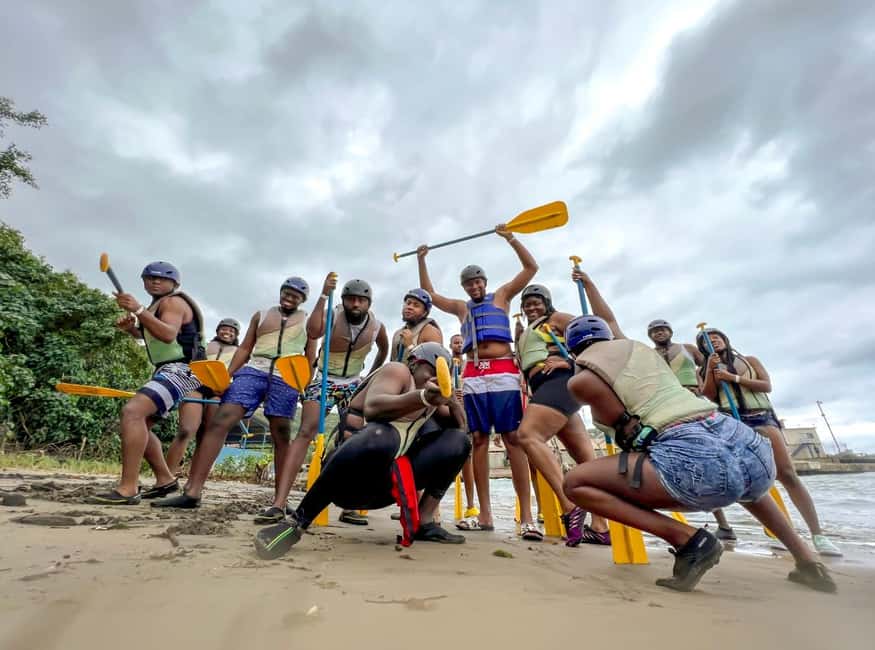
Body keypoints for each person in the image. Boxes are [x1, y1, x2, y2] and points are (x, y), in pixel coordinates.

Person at [562, 270, 836, 593]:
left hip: (697, 463)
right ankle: (807, 561)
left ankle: (688, 540)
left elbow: (625, 431)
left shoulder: (582, 380)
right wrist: (590, 283)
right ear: (609, 336)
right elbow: (609, 319)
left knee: (576, 483)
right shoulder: (637, 348)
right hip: (747, 446)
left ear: (572, 352)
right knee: (743, 480)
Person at [254, 343, 470, 559]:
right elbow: (374, 408)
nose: (434, 379)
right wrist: (422, 397)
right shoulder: (398, 371)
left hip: (384, 489)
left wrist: (451, 401)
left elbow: (462, 430)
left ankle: (424, 522)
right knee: (382, 435)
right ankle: (298, 521)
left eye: (440, 375)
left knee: (459, 442)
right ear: (414, 364)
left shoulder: (431, 398)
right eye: (431, 371)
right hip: (346, 481)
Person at [152, 277, 311, 516]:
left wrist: (304, 384)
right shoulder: (261, 315)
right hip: (255, 369)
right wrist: (227, 376)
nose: (289, 298)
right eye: (286, 293)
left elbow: (310, 354)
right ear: (280, 292)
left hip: (286, 374)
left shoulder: (308, 320)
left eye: (295, 295)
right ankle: (192, 492)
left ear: (302, 300)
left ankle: (280, 501)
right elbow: (245, 348)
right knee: (221, 419)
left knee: (281, 432)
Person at [417, 225, 537, 534]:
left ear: (485, 281)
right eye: (469, 284)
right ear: (465, 287)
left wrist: (511, 238)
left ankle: (527, 517)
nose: (474, 287)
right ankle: (484, 515)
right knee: (479, 440)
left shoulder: (503, 296)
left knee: (512, 438)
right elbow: (430, 294)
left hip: (503, 371)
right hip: (474, 374)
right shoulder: (461, 308)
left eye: (478, 281)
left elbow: (530, 268)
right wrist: (422, 259)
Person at [698, 328, 842, 556]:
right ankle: (784, 535)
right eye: (708, 340)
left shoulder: (749, 360)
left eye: (717, 337)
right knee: (748, 481)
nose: (713, 341)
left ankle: (818, 535)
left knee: (787, 474)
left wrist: (733, 378)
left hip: (761, 418)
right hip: (733, 424)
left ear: (725, 340)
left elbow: (766, 385)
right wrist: (710, 371)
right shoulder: (705, 369)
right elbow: (708, 395)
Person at [270, 275, 389, 527]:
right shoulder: (333, 313)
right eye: (350, 299)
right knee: (306, 431)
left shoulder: (377, 326)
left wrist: (370, 379)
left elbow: (384, 350)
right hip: (324, 379)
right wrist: (324, 294)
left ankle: (350, 505)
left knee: (355, 439)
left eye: (361, 300)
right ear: (343, 300)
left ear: (368, 303)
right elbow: (313, 332)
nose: (355, 304)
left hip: (354, 384)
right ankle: (278, 504)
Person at [87, 262, 206, 505]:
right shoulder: (156, 307)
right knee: (140, 423)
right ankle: (165, 479)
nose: (155, 281)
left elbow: (168, 334)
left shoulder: (172, 303)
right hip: (167, 368)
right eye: (150, 278)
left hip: (183, 368)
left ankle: (128, 488)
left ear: (175, 283)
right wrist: (133, 329)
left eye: (162, 279)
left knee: (132, 412)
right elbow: (153, 336)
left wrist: (138, 310)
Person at [514, 284, 610, 544]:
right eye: (527, 304)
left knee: (528, 436)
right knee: (585, 459)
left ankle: (570, 506)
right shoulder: (526, 331)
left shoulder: (557, 319)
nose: (532, 308)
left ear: (547, 303)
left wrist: (568, 362)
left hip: (559, 382)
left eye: (537, 302)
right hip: (545, 389)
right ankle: (601, 527)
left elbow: (596, 338)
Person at [163, 317, 242, 476]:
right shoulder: (204, 345)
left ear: (236, 335)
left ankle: (195, 476)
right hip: (197, 386)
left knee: (207, 435)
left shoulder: (240, 352)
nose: (227, 332)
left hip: (220, 391)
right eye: (224, 329)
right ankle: (167, 475)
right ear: (218, 330)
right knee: (186, 430)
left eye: (231, 330)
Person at [451, 333, 478, 520]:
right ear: (451, 345)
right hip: (450, 414)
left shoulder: (471, 364)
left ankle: (471, 505)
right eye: (456, 342)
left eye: (461, 342)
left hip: (467, 417)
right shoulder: (446, 362)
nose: (459, 345)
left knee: (468, 460)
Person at [646, 320, 703, 394]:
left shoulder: (689, 348)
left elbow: (707, 367)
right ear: (650, 336)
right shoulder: (648, 355)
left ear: (671, 333)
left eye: (663, 330)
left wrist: (701, 384)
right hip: (665, 395)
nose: (659, 333)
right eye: (655, 331)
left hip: (693, 392)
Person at [390, 288, 442, 362]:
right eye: (408, 303)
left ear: (425, 312)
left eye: (416, 305)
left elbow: (436, 363)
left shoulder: (431, 332)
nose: (409, 307)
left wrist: (410, 346)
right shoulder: (397, 334)